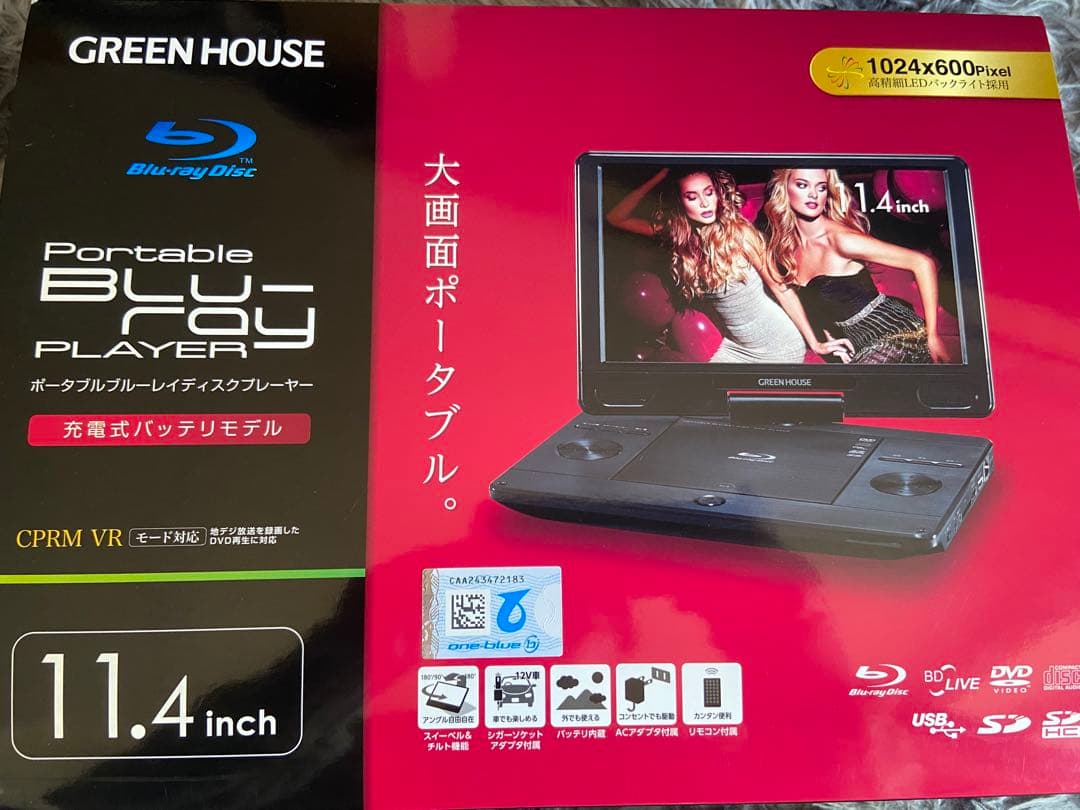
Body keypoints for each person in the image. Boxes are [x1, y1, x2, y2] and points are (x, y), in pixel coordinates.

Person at [605, 166, 852, 363]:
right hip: (735, 347)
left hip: (777, 342)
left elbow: (782, 289)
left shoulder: (739, 234)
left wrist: (815, 343)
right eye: (692, 197)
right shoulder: (678, 239)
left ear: (718, 194)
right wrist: (661, 174)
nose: (704, 203)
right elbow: (615, 218)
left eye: (709, 192)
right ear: (680, 202)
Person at [762, 168, 948, 364]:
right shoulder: (788, 247)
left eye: (821, 187)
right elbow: (810, 300)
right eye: (802, 185)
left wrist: (933, 336)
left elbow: (922, 263)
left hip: (893, 332)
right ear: (784, 189)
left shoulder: (840, 240)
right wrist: (825, 341)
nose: (813, 194)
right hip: (856, 341)